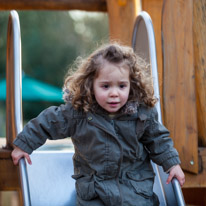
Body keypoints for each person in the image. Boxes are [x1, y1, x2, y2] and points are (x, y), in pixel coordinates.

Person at [11, 43, 185, 206]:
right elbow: (48, 122)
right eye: (106, 86)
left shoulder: (141, 113)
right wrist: (24, 145)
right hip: (94, 195)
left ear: (131, 85)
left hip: (136, 193)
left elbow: (159, 140)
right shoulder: (79, 113)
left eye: (122, 86)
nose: (114, 93)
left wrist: (172, 164)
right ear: (90, 85)